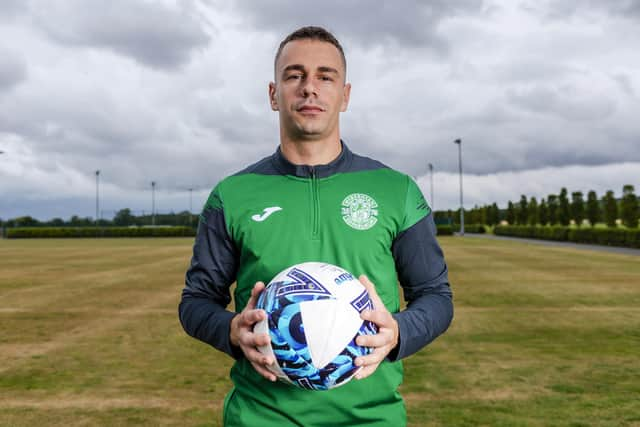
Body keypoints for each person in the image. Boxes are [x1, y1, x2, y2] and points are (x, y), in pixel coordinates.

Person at [179, 26, 453, 426]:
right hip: (261, 417)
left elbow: (435, 296)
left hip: (371, 419)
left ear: (345, 95)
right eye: (295, 75)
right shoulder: (233, 195)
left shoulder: (396, 191)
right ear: (274, 95)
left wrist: (398, 331)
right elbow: (196, 302)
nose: (310, 88)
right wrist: (233, 330)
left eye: (326, 76)